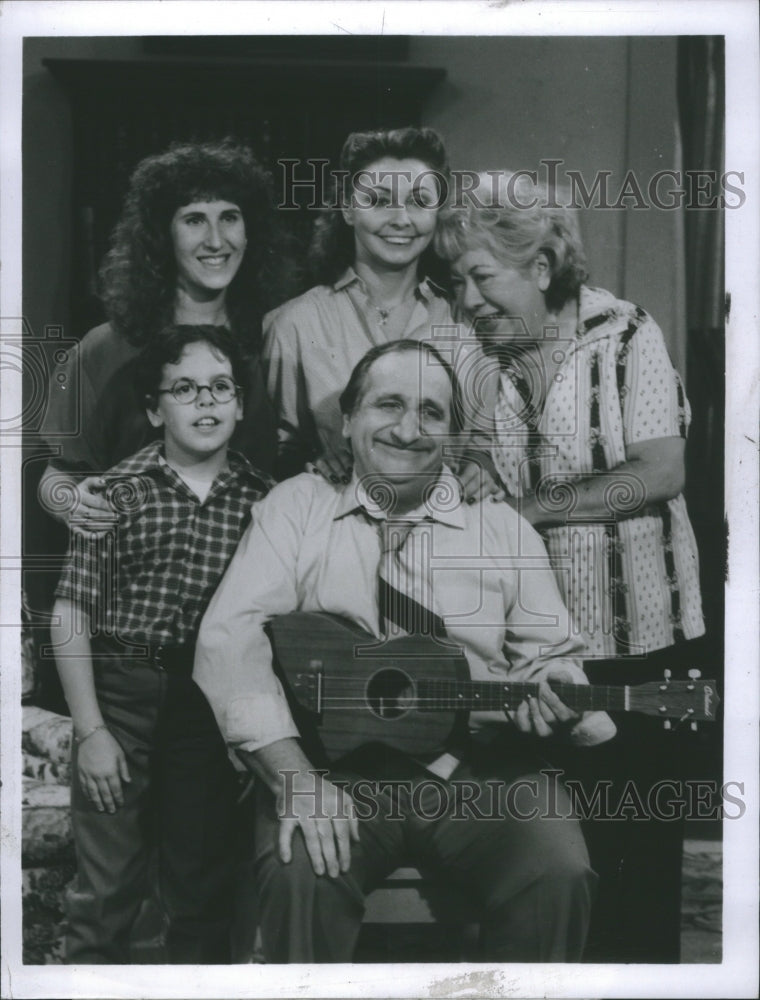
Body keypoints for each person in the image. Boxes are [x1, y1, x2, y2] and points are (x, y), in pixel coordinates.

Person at [194, 338, 616, 964]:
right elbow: (227, 640)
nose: (409, 428)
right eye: (388, 404)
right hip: (333, 770)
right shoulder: (296, 510)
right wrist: (295, 779)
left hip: (480, 771)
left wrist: (555, 688)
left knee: (559, 870)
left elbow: (549, 653)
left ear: (452, 434)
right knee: (299, 870)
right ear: (349, 419)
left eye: (432, 412)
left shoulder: (500, 526)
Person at [434, 171, 707, 962]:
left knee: (639, 868)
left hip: (647, 641)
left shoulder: (626, 334)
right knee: (566, 867)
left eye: (481, 275)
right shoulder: (472, 351)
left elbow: (658, 472)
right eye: (458, 282)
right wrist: (477, 465)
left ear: (542, 266)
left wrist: (535, 508)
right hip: (541, 656)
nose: (469, 299)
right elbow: (474, 456)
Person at [50, 324, 273, 963]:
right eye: (184, 389)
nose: (205, 403)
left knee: (201, 886)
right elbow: (71, 610)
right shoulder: (117, 492)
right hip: (122, 697)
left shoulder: (262, 500)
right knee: (107, 887)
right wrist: (90, 730)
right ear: (155, 409)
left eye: (220, 388)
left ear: (238, 403)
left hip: (209, 703)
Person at [39, 138, 291, 531]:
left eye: (229, 217)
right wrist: (72, 503)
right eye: (194, 219)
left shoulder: (274, 338)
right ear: (162, 235)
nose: (215, 240)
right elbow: (57, 474)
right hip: (135, 569)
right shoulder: (103, 348)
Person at [262, 126, 497, 499]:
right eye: (380, 200)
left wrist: (481, 466)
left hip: (445, 536)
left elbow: (486, 443)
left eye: (420, 201)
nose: (401, 218)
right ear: (348, 209)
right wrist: (310, 462)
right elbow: (274, 452)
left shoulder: (468, 320)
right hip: (334, 531)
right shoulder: (293, 323)